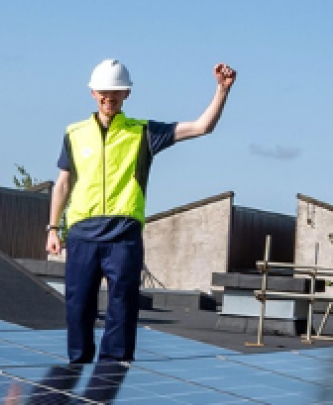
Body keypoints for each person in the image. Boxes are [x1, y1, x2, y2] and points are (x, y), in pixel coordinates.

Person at [47, 59, 236, 363]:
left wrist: (222, 90)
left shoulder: (144, 133)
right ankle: (77, 367)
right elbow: (62, 184)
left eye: (116, 92)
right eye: (104, 92)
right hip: (82, 234)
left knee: (122, 305)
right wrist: (53, 228)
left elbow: (202, 127)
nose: (110, 98)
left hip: (123, 236)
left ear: (127, 95)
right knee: (77, 305)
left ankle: (113, 372)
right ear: (93, 93)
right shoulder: (74, 133)